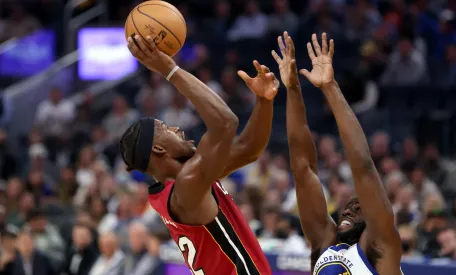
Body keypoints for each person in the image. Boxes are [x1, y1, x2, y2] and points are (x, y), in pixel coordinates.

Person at [122, 35, 279, 275]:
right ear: (158, 149)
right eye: (166, 128)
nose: (177, 129)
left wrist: (263, 101)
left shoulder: (188, 183)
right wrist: (169, 69)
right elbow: (226, 122)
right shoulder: (187, 184)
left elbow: (248, 149)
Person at [272, 31, 403, 274]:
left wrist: (330, 88)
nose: (347, 210)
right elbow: (303, 169)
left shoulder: (381, 246)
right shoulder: (325, 244)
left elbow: (363, 166)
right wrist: (292, 87)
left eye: (357, 208)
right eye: (348, 206)